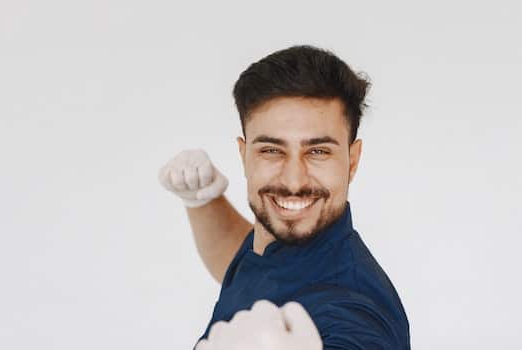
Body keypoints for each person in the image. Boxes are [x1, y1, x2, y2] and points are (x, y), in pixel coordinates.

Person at [159, 45, 410, 349]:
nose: (294, 181)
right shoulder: (281, 248)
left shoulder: (356, 313)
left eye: (318, 151)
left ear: (352, 161)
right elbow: (247, 263)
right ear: (244, 155)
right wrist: (202, 201)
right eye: (271, 151)